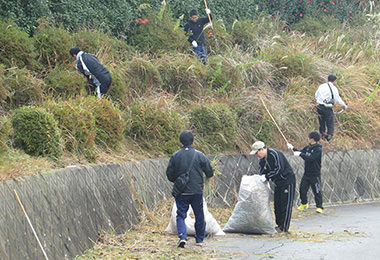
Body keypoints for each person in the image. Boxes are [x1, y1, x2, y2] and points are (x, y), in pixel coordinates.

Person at [166, 130, 214, 248]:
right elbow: (209, 171)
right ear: (192, 140)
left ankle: (182, 237)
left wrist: (178, 181)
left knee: (181, 215)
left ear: (180, 141)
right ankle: (199, 240)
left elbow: (169, 174)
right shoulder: (200, 155)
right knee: (199, 215)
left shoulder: (175, 156)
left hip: (181, 192)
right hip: (196, 190)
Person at [250, 141, 296, 233]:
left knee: (285, 205)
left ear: (262, 149)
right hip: (277, 183)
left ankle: (284, 228)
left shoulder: (274, 154)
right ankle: (279, 225)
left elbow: (279, 169)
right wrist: (260, 178)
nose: (256, 155)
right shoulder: (262, 160)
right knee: (277, 205)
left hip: (287, 181)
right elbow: (262, 171)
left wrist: (267, 177)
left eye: (257, 153)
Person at [287, 131, 323, 213]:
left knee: (317, 190)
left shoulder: (318, 149)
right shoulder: (308, 147)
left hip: (315, 174)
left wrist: (300, 154)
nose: (308, 139)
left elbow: (310, 158)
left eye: (309, 137)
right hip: (307, 173)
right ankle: (304, 203)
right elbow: (301, 152)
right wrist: (292, 148)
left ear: (312, 139)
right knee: (302, 189)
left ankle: (319, 207)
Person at [315, 74, 347, 142]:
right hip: (327, 108)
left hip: (319, 106)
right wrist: (344, 106)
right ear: (334, 81)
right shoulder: (334, 88)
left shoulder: (321, 86)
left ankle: (322, 135)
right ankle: (328, 137)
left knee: (321, 122)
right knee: (330, 123)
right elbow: (337, 99)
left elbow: (316, 95)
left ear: (328, 79)